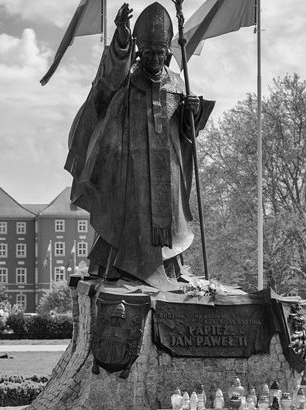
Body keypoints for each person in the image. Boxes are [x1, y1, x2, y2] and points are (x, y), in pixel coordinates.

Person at [64, 2, 213, 289]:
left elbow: (186, 132)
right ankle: (114, 266)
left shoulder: (178, 82)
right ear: (140, 52)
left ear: (168, 54)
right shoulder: (128, 80)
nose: (155, 59)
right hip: (129, 166)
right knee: (126, 213)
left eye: (160, 53)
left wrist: (192, 111)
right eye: (148, 53)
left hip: (166, 167)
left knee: (166, 217)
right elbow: (110, 77)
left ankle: (169, 268)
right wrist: (122, 37)